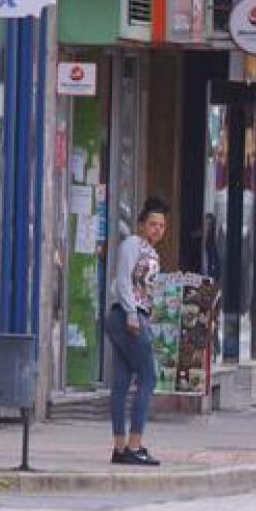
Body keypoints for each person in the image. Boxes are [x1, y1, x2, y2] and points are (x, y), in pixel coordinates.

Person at [106, 197, 168, 466]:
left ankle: (120, 447)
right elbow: (123, 279)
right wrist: (132, 313)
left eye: (162, 225)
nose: (157, 229)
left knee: (121, 382)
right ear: (141, 224)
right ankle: (134, 444)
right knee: (148, 377)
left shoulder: (151, 252)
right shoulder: (132, 244)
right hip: (127, 316)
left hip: (133, 316)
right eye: (152, 224)